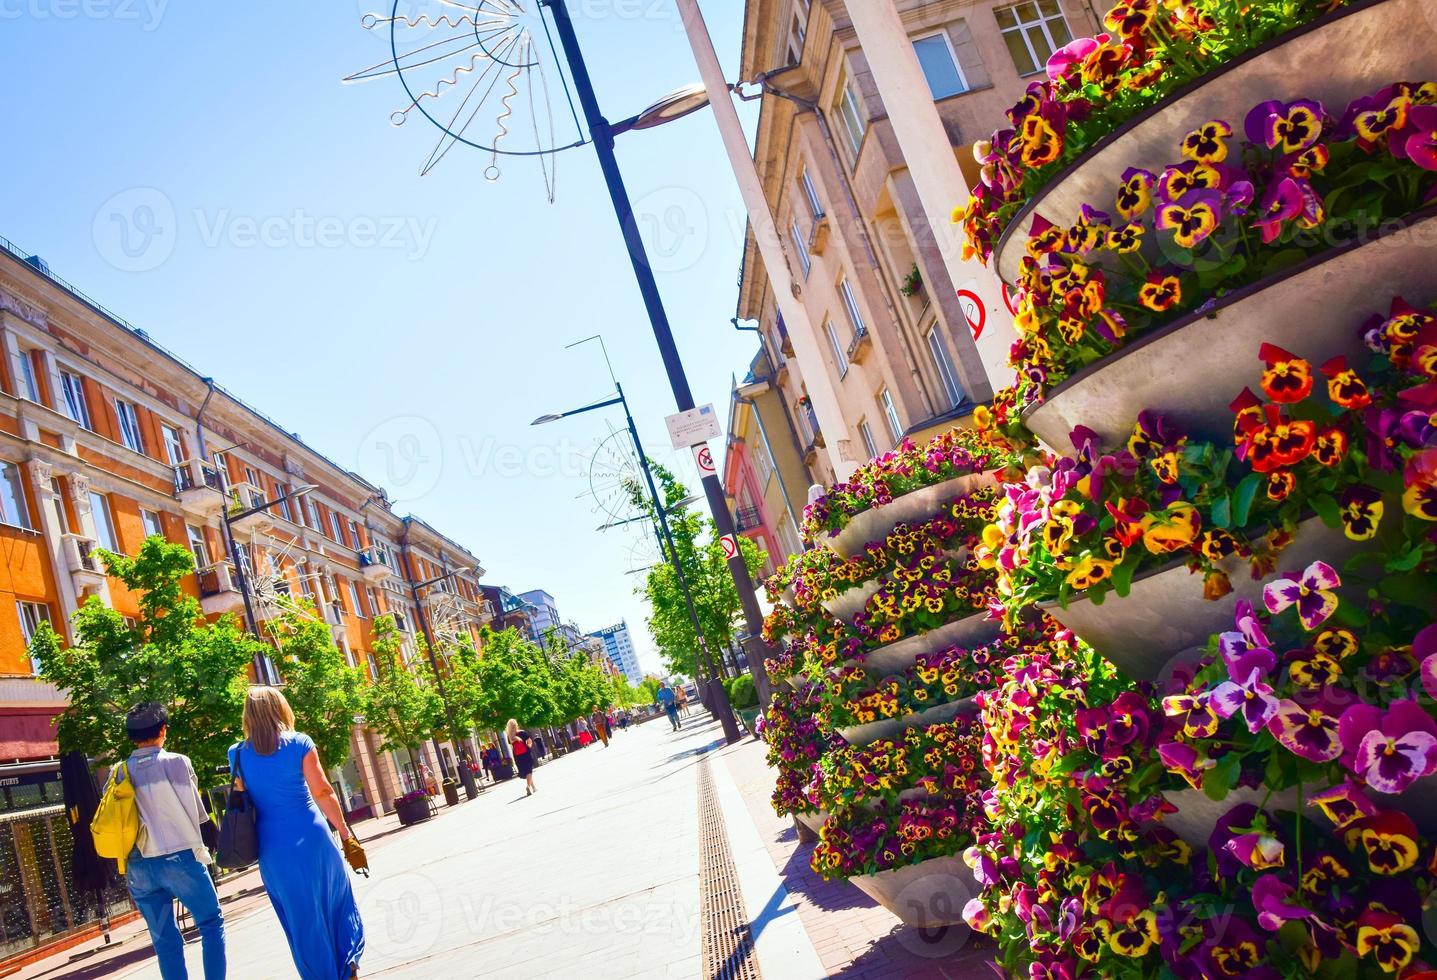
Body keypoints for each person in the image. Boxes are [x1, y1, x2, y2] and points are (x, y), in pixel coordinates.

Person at [230, 687, 364, 980]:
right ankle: (348, 967)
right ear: (281, 708)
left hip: (273, 849)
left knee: (302, 918)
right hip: (313, 838)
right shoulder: (300, 743)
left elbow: (243, 800)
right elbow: (323, 791)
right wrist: (345, 833)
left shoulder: (236, 754)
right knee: (336, 902)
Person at [122, 702, 227, 980]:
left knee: (165, 942)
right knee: (210, 923)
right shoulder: (177, 762)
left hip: (139, 866)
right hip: (179, 858)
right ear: (162, 730)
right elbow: (196, 812)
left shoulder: (119, 772)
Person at [506, 719, 536, 797]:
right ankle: (528, 786)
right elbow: (529, 741)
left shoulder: (509, 736)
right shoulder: (522, 732)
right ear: (516, 725)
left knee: (526, 772)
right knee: (529, 770)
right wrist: (529, 746)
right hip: (526, 753)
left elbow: (511, 744)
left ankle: (533, 787)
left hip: (518, 756)